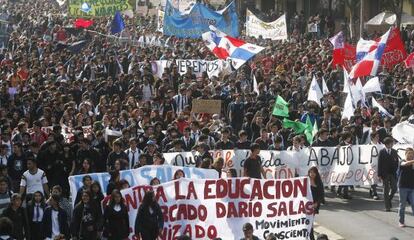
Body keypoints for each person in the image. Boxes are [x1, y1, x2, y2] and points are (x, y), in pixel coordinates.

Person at [378, 137, 399, 211]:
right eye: (391, 143)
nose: (392, 144)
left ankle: (389, 199)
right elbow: (379, 163)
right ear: (387, 144)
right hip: (385, 174)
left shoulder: (394, 151)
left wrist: (396, 170)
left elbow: (396, 162)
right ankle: (387, 206)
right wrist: (379, 175)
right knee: (386, 190)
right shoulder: (382, 151)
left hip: (393, 173)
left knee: (394, 188)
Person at [397, 147, 414, 227]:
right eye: (409, 153)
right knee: (402, 205)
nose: (411, 155)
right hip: (403, 186)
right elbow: (406, 164)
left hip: (412, 187)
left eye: (412, 153)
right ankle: (401, 221)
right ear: (405, 154)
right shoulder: (402, 161)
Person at [308, 167, 324, 240]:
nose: (312, 174)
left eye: (313, 172)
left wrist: (316, 203)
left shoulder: (319, 183)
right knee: (307, 223)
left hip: (313, 207)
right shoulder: (305, 180)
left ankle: (311, 238)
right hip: (305, 206)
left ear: (316, 173)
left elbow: (321, 195)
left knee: (310, 223)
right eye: (310, 172)